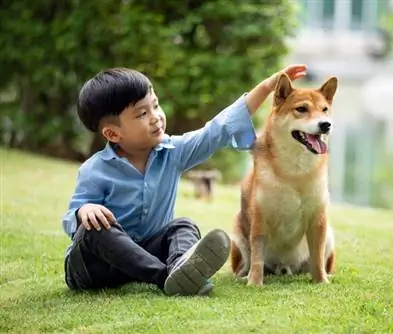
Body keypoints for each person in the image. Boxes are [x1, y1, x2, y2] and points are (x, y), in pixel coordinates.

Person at [61, 64, 308, 296]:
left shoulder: (173, 153)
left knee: (182, 226)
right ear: (113, 133)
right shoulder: (95, 170)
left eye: (155, 106)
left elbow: (218, 129)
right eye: (142, 114)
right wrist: (85, 209)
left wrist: (266, 87)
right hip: (93, 268)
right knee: (94, 230)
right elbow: (73, 221)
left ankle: (182, 267)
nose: (156, 117)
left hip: (140, 259)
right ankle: (166, 276)